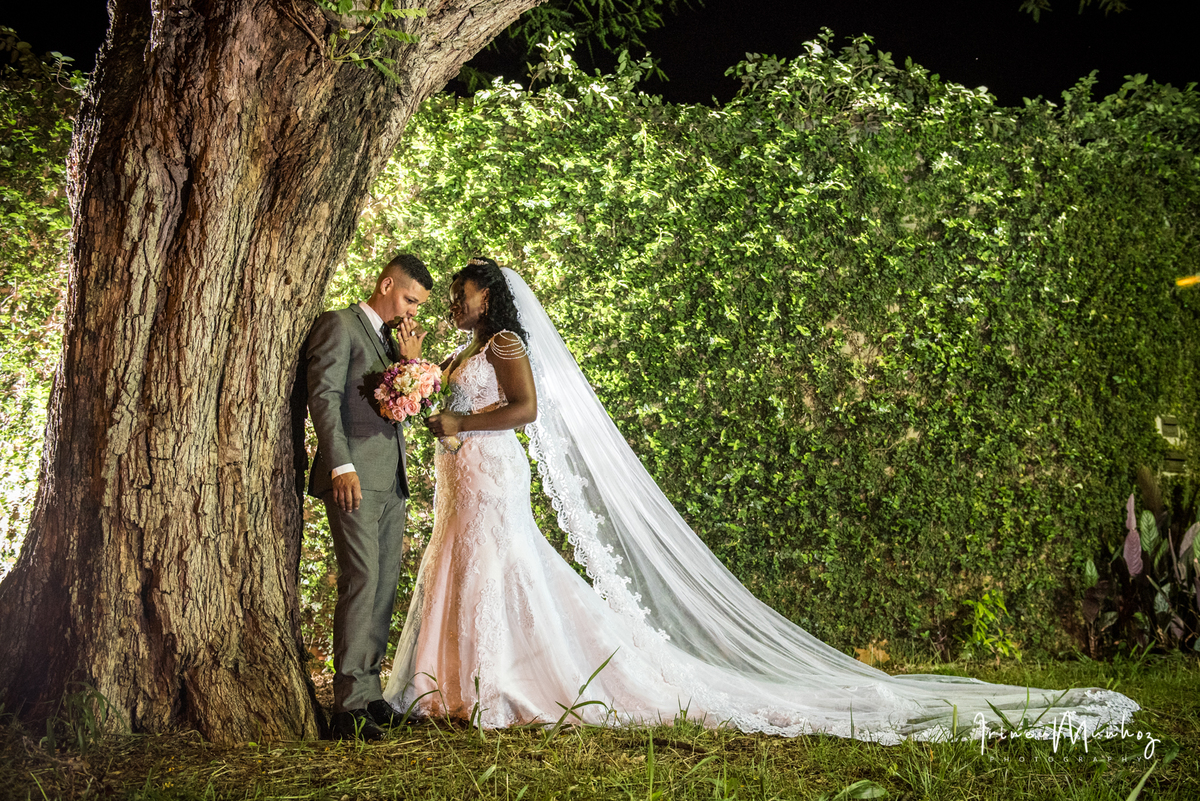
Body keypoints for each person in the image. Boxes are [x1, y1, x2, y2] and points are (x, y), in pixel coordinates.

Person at [383, 257, 1139, 742]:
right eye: (451, 290)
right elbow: (439, 396)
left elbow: (526, 412)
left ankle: (497, 682)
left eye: (465, 288)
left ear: (494, 296)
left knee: (505, 565)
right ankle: (452, 683)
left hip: (491, 472)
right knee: (465, 563)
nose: (455, 296)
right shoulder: (461, 352)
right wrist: (420, 379)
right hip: (463, 477)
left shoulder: (508, 348)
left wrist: (458, 419)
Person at [306, 253, 432, 740]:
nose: (410, 313)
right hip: (354, 476)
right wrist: (341, 465)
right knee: (361, 581)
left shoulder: (389, 340)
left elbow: (400, 408)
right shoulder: (340, 324)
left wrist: (410, 366)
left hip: (391, 479)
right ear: (385, 284)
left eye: (417, 305)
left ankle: (370, 695)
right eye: (407, 299)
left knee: (382, 587)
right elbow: (325, 397)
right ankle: (347, 709)